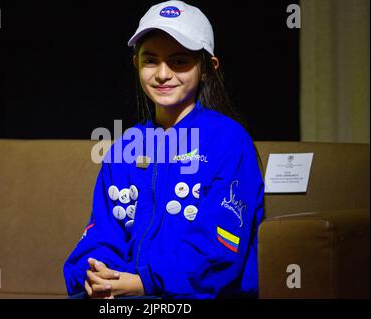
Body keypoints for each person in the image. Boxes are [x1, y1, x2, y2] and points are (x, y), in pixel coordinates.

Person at [63, 0, 264, 299]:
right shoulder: (126, 146)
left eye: (179, 61)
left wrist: (144, 282)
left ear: (208, 68)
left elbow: (221, 247)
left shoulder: (229, 141)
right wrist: (95, 275)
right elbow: (103, 233)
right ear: (136, 64)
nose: (162, 74)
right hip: (127, 297)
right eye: (151, 60)